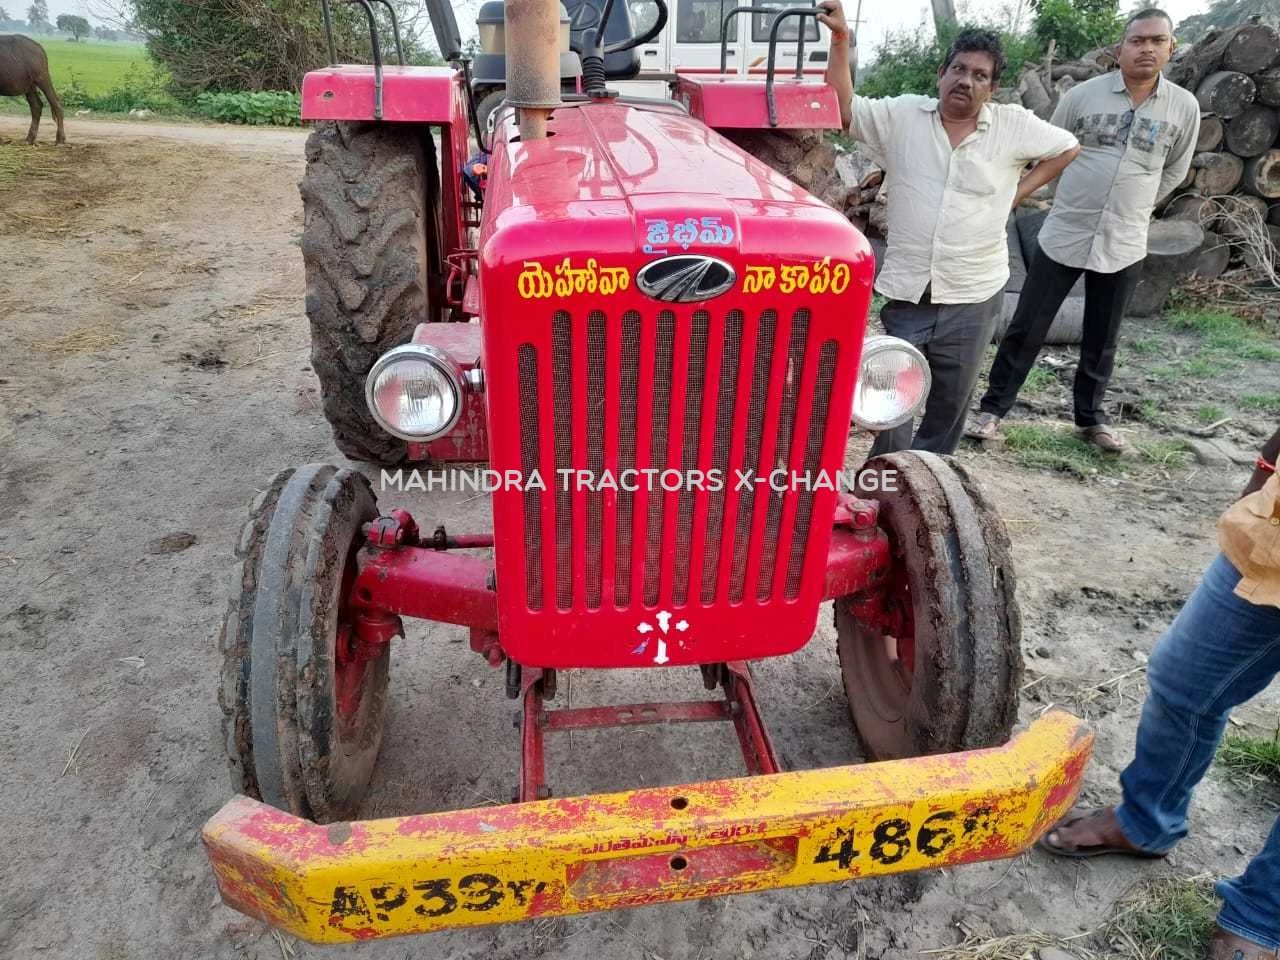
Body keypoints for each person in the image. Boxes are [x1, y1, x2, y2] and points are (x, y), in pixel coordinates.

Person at [1039, 425, 1280, 960]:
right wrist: (1264, 471)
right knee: (1183, 680)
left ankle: (1265, 917)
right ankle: (1146, 821)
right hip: (1274, 536)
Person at [818, 1, 1080, 457]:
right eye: (958, 69)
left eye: (980, 75)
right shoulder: (903, 116)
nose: (966, 80)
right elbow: (843, 111)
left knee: (948, 406)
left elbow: (1068, 146)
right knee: (890, 397)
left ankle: (928, 492)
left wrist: (1018, 192)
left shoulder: (1013, 127)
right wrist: (841, 41)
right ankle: (886, 482)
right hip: (910, 291)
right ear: (941, 72)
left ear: (992, 88)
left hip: (974, 294)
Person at [969, 8, 1200, 453]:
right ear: (1120, 49)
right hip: (1066, 231)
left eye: (1156, 41)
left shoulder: (1184, 108)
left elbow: (1174, 171)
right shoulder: (1084, 96)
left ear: (1171, 48)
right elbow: (1051, 148)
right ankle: (992, 410)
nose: (1146, 49)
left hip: (1125, 239)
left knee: (1102, 335)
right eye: (1137, 41)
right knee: (1027, 326)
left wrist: (1133, 203)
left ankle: (1090, 419)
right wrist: (1074, 195)